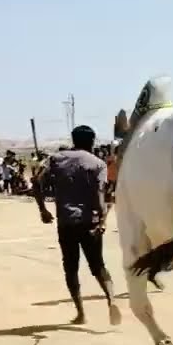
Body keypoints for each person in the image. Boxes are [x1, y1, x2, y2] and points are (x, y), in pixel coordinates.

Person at [34, 125, 122, 325]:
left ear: (73, 140)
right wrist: (102, 219)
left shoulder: (55, 159)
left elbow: (37, 183)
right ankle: (111, 299)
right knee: (98, 266)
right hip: (89, 222)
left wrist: (43, 210)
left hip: (66, 222)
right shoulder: (98, 164)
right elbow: (100, 195)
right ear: (92, 141)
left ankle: (81, 313)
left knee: (71, 268)